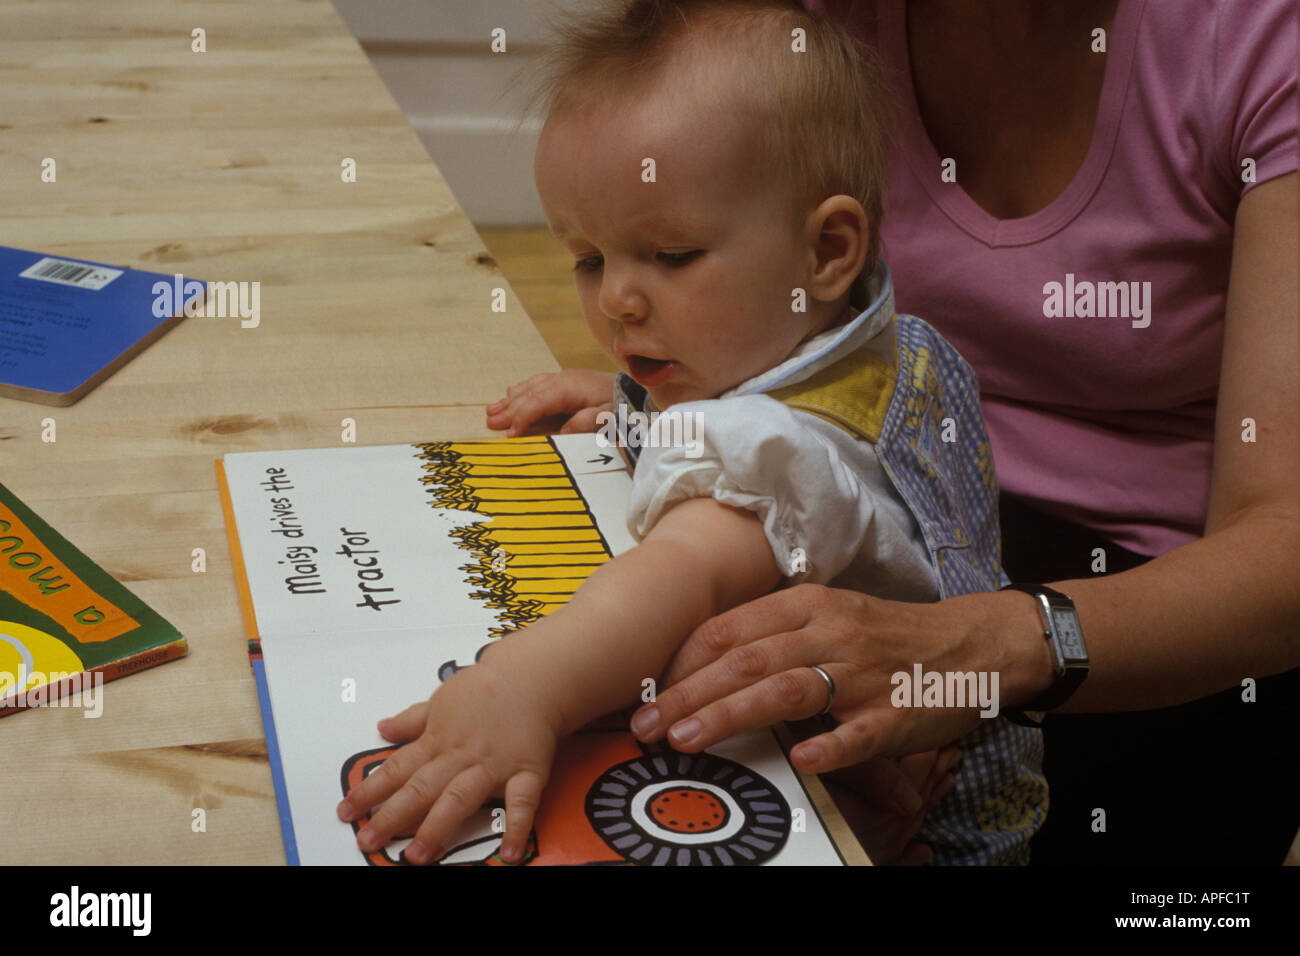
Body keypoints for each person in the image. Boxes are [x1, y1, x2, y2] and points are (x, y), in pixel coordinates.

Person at [338, 0, 1047, 865]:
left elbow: (680, 572)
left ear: (826, 250)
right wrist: (637, 399)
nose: (617, 300)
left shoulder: (769, 455)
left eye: (670, 256)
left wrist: (520, 686)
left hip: (898, 805)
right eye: (591, 258)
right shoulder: (883, 347)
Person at [617, 0, 1298, 865]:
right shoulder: (795, 25)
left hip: (1166, 622)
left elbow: (1287, 547)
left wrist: (980, 649)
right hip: (889, 502)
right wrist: (693, 366)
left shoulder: (1260, 40)